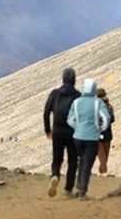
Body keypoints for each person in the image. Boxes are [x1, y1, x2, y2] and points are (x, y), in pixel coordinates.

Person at [67, 78, 112, 201]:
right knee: (87, 163)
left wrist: (78, 127)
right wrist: (100, 129)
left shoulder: (76, 102)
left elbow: (70, 119)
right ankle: (82, 191)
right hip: (91, 137)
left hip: (77, 137)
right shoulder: (98, 102)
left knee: (81, 161)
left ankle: (77, 185)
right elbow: (106, 119)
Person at [43, 67, 81, 198]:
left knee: (57, 158)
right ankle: (68, 189)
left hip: (57, 131)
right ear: (74, 79)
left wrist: (48, 130)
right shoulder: (77, 95)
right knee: (72, 160)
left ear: (63, 79)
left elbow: (46, 112)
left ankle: (55, 175)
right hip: (72, 132)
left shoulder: (55, 93)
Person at [96, 88, 115, 175]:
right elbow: (112, 119)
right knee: (106, 152)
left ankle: (102, 170)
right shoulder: (109, 106)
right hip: (107, 131)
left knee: (100, 152)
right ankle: (103, 170)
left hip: (97, 131)